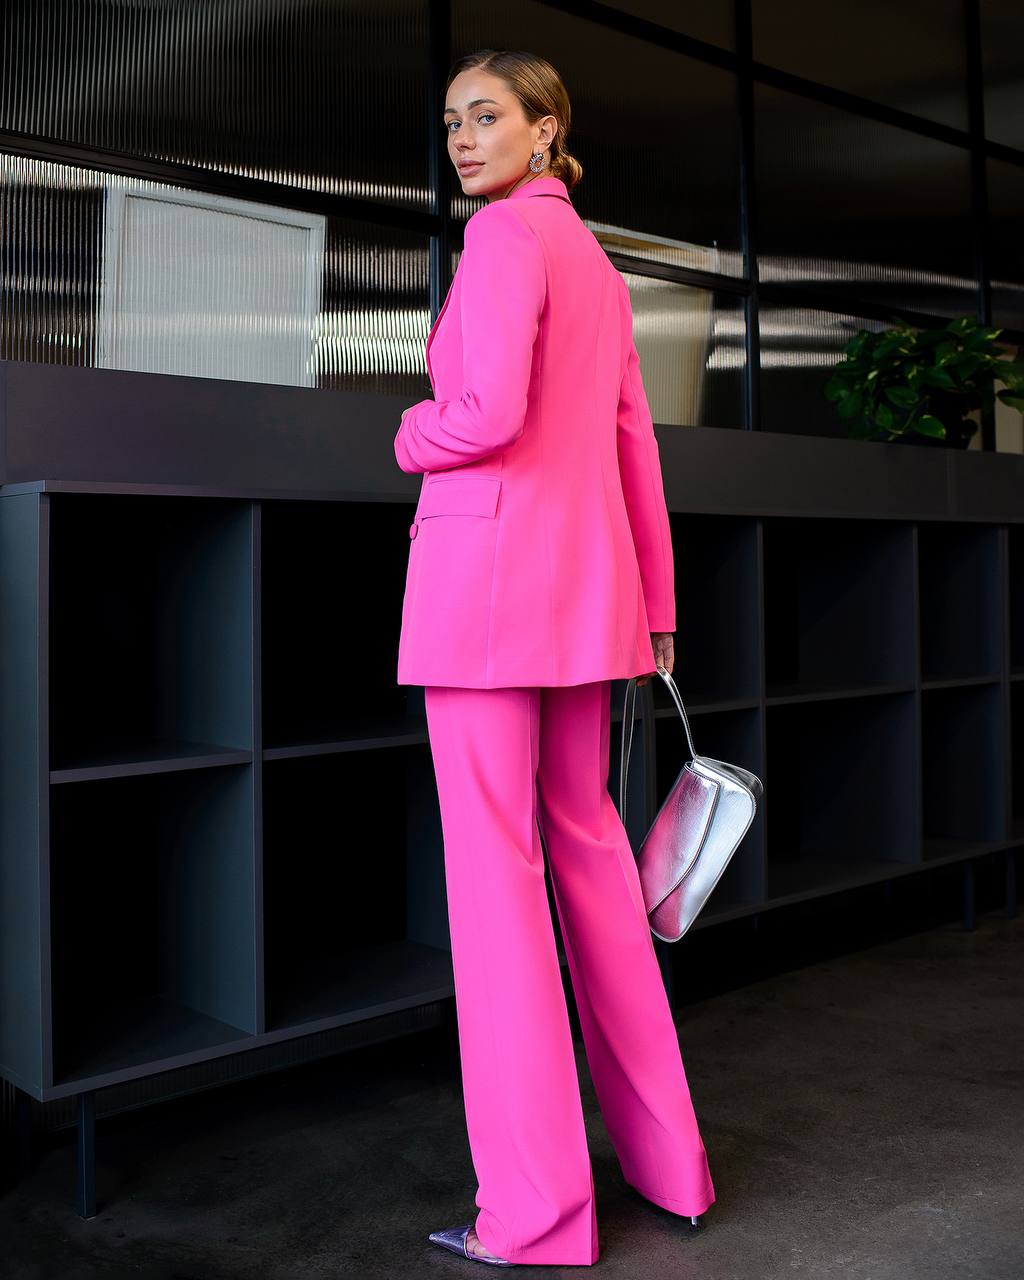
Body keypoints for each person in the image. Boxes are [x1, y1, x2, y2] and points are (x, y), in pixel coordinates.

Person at [394, 48, 715, 1268]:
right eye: (451, 121)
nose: (464, 138)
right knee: (591, 868)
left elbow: (481, 415)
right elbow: (636, 446)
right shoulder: (591, 259)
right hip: (589, 608)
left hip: (484, 601)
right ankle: (671, 1164)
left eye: (487, 116)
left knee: (497, 896)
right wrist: (655, 606)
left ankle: (532, 1214)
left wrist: (407, 429)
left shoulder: (500, 245)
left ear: (545, 128)